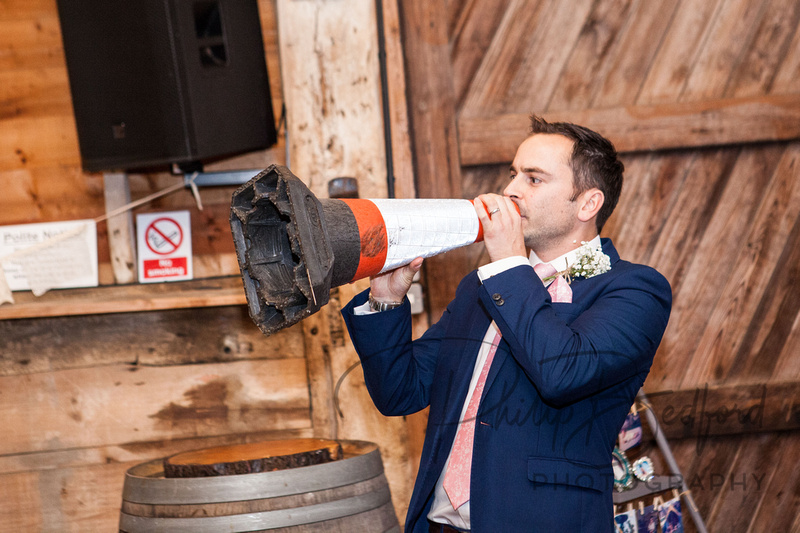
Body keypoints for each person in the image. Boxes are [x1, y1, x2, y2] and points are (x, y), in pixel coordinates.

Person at [342, 115, 672, 532]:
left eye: (534, 179)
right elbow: (400, 394)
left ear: (588, 204)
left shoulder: (636, 290)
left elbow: (561, 373)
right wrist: (386, 301)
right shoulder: (479, 289)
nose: (510, 190)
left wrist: (510, 264)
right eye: (513, 174)